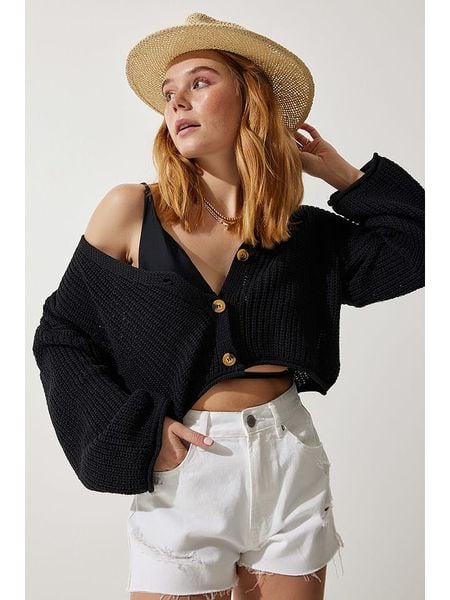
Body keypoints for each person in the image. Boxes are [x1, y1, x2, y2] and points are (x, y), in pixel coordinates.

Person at [32, 12, 425, 600]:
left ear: (250, 99)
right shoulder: (131, 211)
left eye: (200, 82)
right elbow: (63, 334)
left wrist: (343, 175)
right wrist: (136, 433)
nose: (177, 102)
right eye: (169, 91)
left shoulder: (302, 233)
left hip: (288, 457)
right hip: (187, 465)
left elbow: (422, 246)